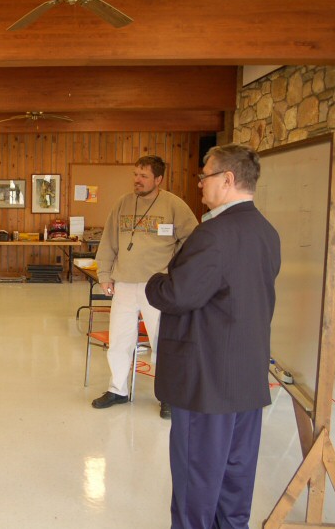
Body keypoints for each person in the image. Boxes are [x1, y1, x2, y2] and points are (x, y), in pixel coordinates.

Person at [145, 144, 280, 529]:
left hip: (205, 382)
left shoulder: (213, 235)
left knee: (196, 485)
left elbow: (176, 295)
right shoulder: (266, 232)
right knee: (236, 483)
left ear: (228, 180)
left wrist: (155, 281)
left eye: (204, 175)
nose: (200, 183)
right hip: (247, 378)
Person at [90, 155, 198, 418]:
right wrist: (104, 274)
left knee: (162, 341)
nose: (137, 180)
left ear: (158, 179)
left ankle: (168, 396)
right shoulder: (122, 204)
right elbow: (109, 242)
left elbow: (193, 240)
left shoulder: (174, 205)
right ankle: (118, 389)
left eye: (144, 176)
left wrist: (176, 271)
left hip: (158, 286)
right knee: (119, 340)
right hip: (124, 284)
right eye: (135, 174)